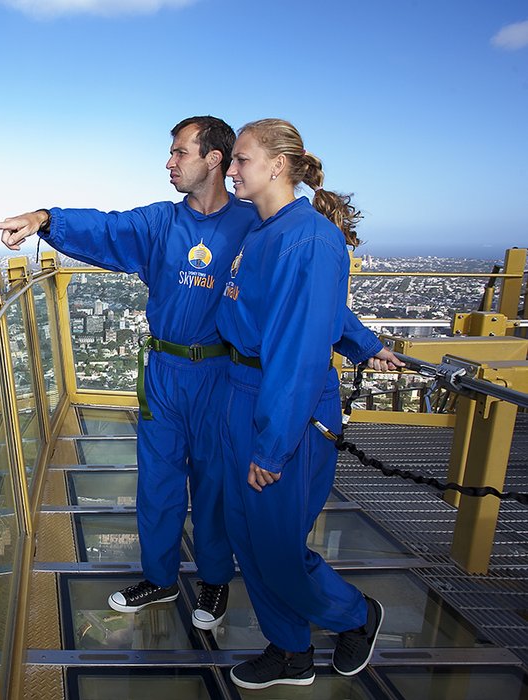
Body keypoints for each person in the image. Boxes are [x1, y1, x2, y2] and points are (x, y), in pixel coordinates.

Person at [0, 117, 398, 632]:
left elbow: (308, 302)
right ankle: (158, 577)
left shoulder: (258, 225)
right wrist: (46, 219)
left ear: (214, 160)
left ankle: (215, 578)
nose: (170, 162)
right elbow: (107, 228)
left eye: (180, 152)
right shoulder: (161, 224)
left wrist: (364, 344)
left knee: (215, 485)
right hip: (165, 370)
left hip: (221, 376)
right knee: (156, 481)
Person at [219, 118, 385, 689]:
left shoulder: (308, 238)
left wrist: (272, 445)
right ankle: (290, 650)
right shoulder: (264, 230)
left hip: (284, 404)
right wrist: (367, 345)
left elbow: (297, 351)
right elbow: (320, 312)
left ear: (277, 166)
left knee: (278, 547)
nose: (231, 169)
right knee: (248, 536)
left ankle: (356, 615)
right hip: (244, 394)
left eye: (240, 159)